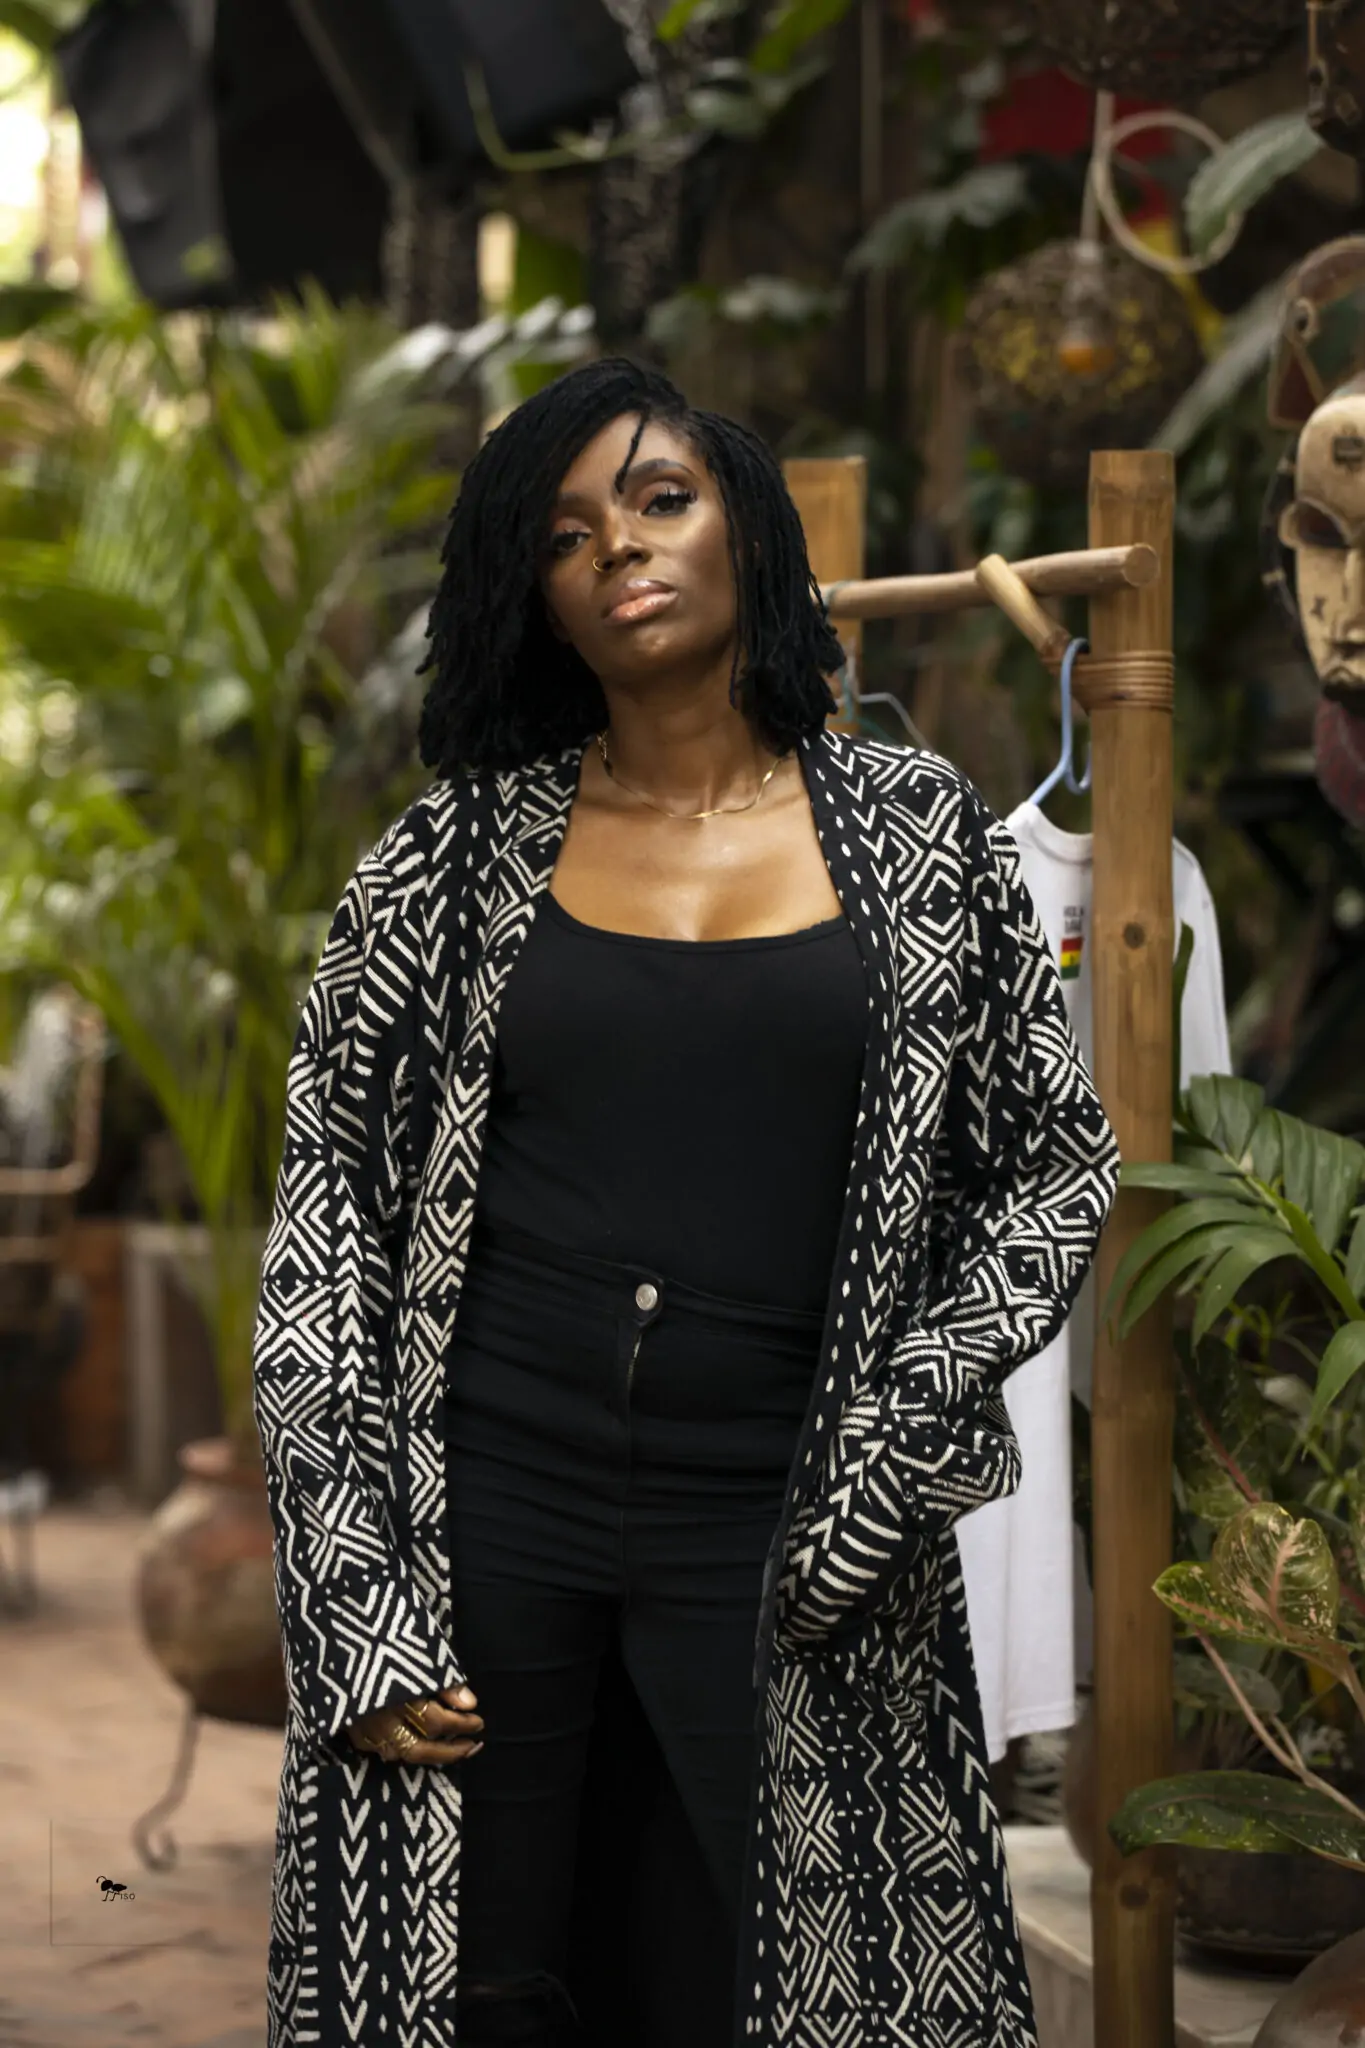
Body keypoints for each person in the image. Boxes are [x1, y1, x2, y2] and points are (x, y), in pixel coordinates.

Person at [253, 355, 1120, 2048]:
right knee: (485, 1964)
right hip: (493, 1492)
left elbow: (1054, 1160)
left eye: (660, 500)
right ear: (535, 596)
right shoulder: (444, 865)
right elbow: (326, 1231)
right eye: (569, 535)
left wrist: (906, 1427)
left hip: (789, 1510)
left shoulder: (922, 838)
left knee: (798, 1977)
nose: (621, 550)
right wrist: (354, 1598)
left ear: (747, 527)